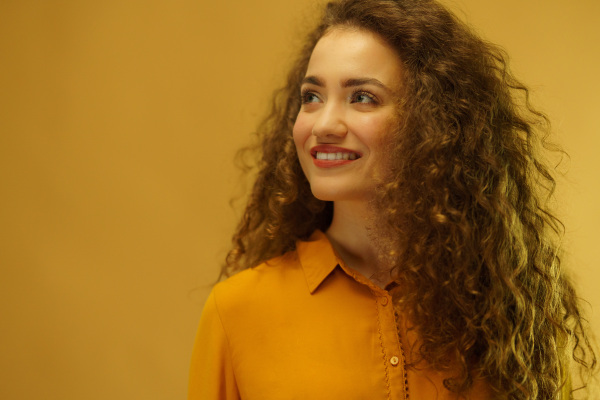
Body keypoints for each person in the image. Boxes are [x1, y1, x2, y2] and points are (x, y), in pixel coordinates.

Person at [188, 0, 598, 398]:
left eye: (362, 97)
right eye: (311, 97)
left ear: (433, 120)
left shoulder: (504, 307)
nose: (324, 124)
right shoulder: (237, 311)